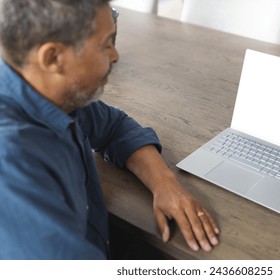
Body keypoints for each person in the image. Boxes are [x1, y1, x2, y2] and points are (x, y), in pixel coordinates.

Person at [0, 0, 219, 259]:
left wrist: (164, 182)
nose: (115, 56)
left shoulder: (49, 90)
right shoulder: (13, 163)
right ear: (53, 58)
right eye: (106, 44)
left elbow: (115, 126)